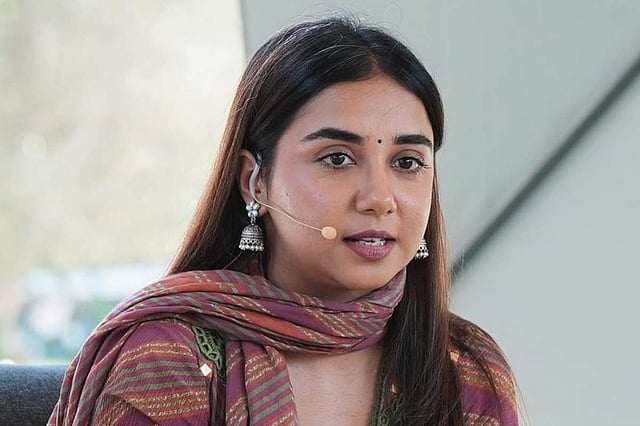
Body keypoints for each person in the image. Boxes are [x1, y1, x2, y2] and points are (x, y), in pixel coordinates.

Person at [49, 16, 519, 426]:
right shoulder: (167, 362)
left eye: (408, 162)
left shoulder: (464, 370)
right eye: (337, 158)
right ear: (255, 181)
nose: (379, 198)